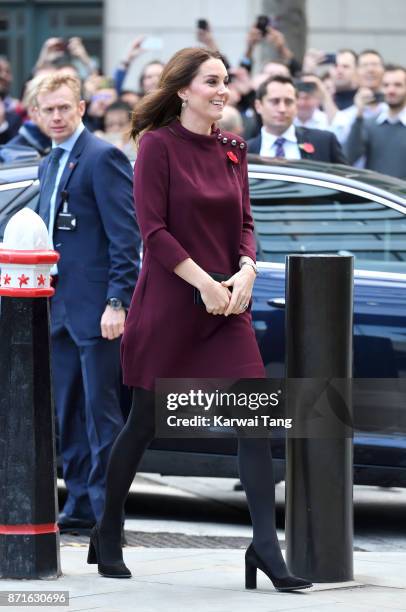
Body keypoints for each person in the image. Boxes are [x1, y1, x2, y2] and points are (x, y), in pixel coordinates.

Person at [88, 47, 312, 593]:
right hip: (171, 305)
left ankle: (265, 546)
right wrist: (205, 283)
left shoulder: (235, 148)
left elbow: (246, 222)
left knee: (255, 420)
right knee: (144, 421)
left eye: (226, 81)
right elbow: (153, 231)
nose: (222, 90)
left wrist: (247, 269)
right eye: (211, 81)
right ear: (183, 89)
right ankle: (109, 528)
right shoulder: (157, 148)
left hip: (227, 306)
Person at [35, 73, 140, 531]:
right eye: (48, 109)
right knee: (68, 413)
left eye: (64, 107)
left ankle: (106, 511)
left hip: (99, 313)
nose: (56, 116)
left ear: (81, 108)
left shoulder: (103, 157)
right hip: (56, 308)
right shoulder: (48, 162)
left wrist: (117, 301)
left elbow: (126, 238)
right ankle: (77, 502)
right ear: (37, 114)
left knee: (102, 416)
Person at [248, 75, 347, 163]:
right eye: (275, 101)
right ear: (258, 106)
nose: (282, 109)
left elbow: (346, 179)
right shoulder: (244, 152)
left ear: (296, 105)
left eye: (288, 102)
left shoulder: (324, 142)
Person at [345, 65, 406, 178]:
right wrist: (359, 113)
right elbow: (349, 157)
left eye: (398, 85)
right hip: (376, 194)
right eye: (386, 85)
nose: (391, 90)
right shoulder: (370, 125)